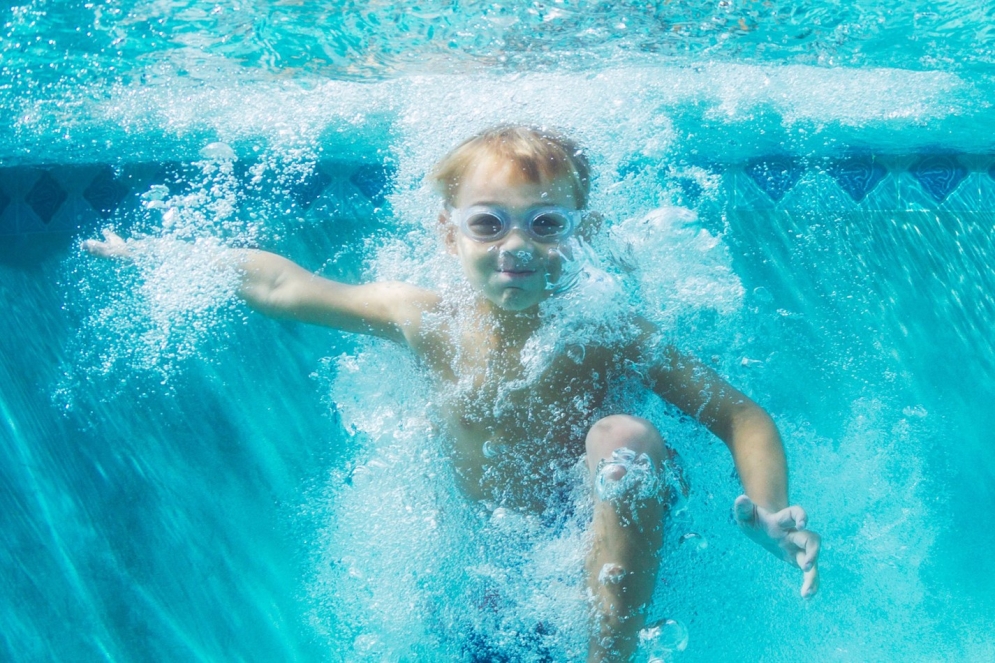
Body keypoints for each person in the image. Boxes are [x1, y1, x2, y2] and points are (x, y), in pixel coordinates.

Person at [84, 125, 820, 662]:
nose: (517, 244)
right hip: (500, 568)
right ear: (449, 234)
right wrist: (176, 258)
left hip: (610, 544)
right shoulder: (425, 320)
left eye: (545, 223)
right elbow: (284, 284)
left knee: (621, 438)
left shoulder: (606, 330)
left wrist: (768, 510)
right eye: (488, 223)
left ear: (580, 233)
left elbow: (740, 415)